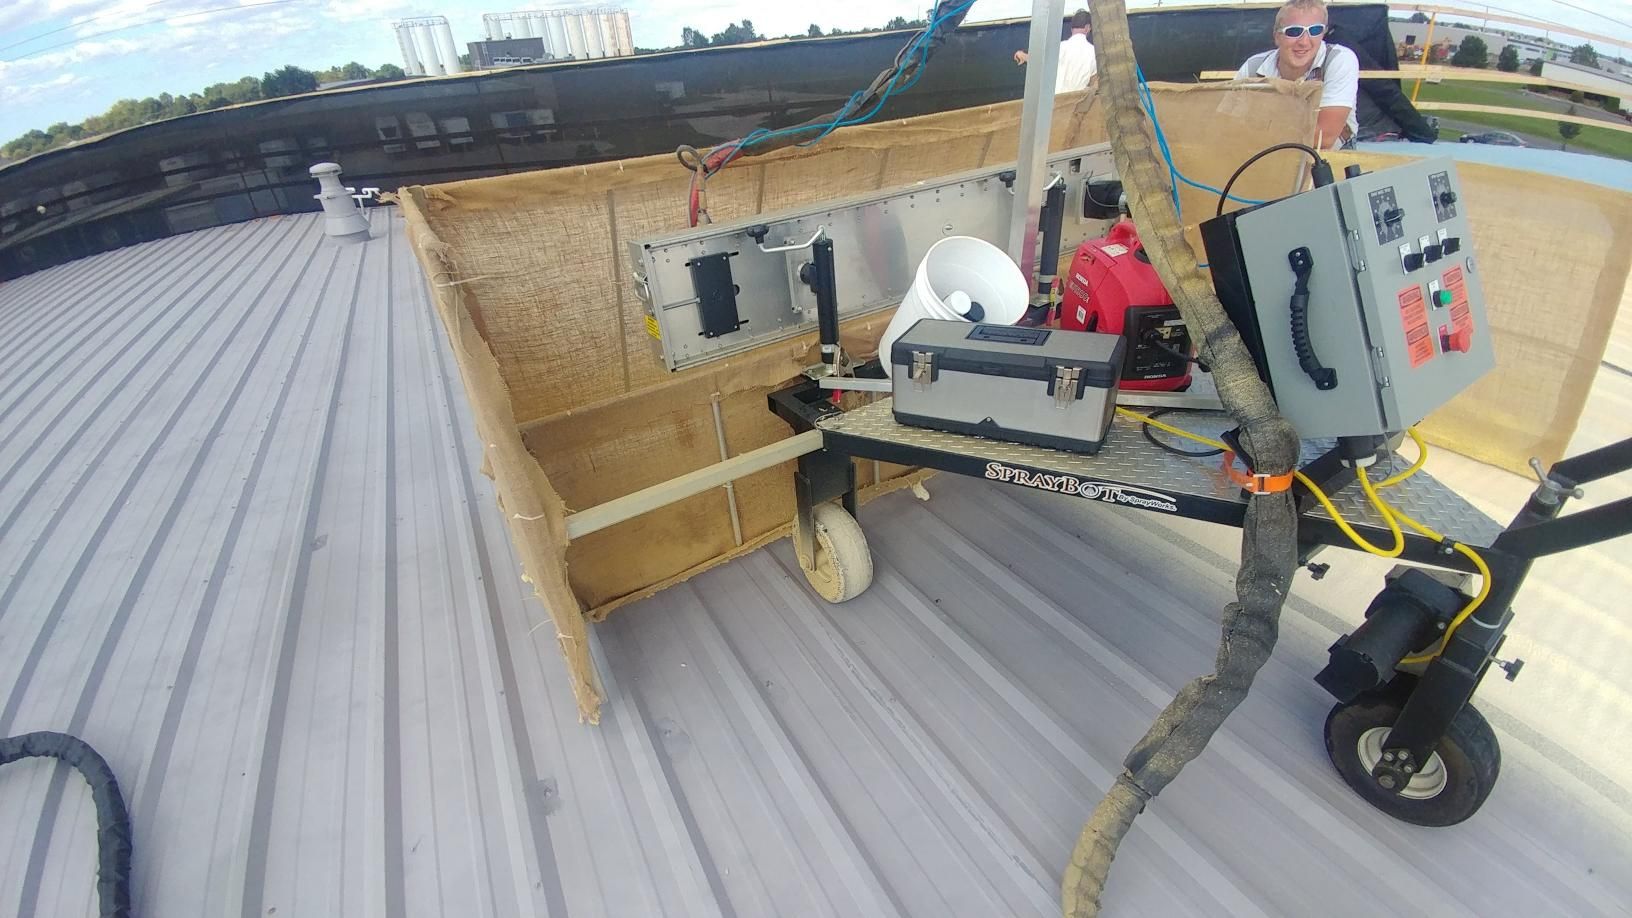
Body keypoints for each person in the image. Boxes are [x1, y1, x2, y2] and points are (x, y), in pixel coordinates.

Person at [1235, 0, 1359, 148]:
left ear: (1324, 33)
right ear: (1276, 36)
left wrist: (1256, 134)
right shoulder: (1253, 66)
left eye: (1315, 30)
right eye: (1294, 31)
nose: (1304, 42)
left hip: (1330, 155)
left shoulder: (1339, 59)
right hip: (1265, 153)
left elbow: (1324, 138)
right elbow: (1229, 122)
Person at [1014, 9, 1097, 93]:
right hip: (1078, 102)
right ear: (1088, 28)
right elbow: (1094, 82)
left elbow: (1038, 61)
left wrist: (1022, 55)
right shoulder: (1094, 53)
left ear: (1072, 29)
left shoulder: (1061, 47)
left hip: (1057, 101)